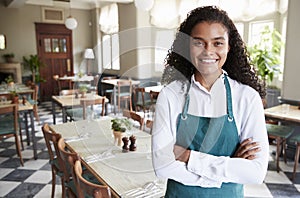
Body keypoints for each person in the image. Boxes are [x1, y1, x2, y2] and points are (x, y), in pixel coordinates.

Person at [151, 6, 269, 198]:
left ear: (229, 47)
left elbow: (255, 172)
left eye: (218, 43)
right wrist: (226, 170)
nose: (208, 51)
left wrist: (189, 157)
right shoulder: (171, 95)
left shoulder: (247, 98)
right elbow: (162, 167)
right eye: (199, 43)